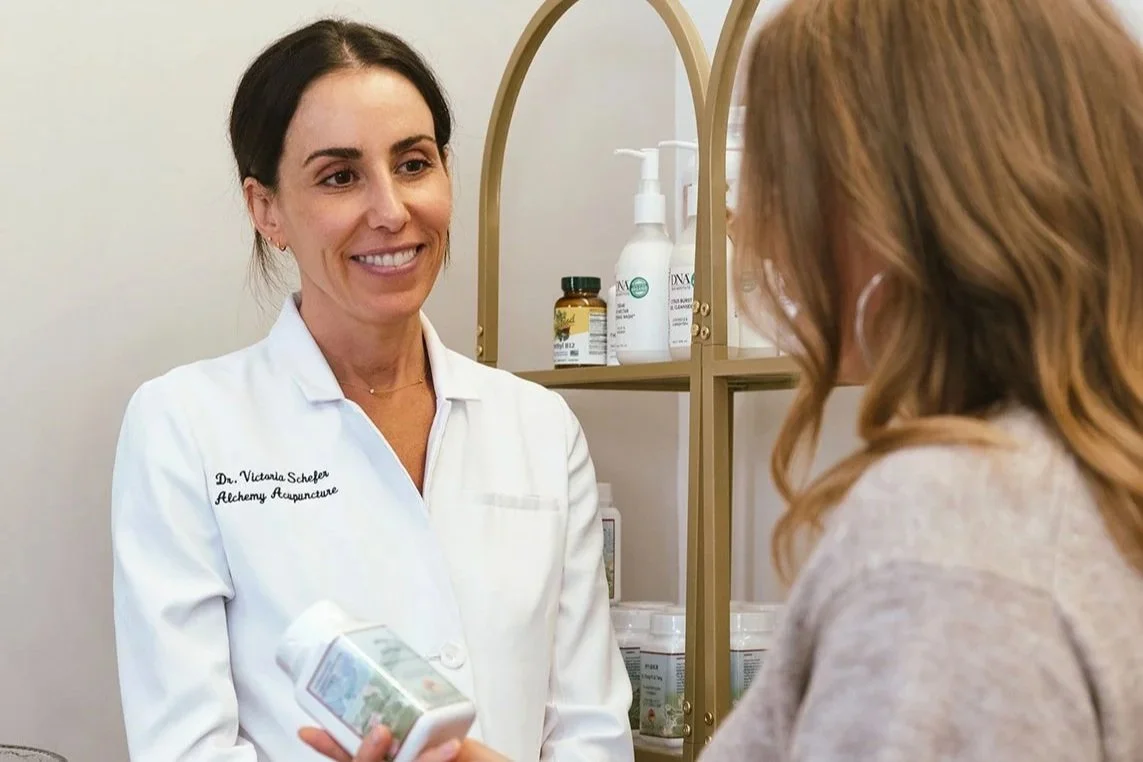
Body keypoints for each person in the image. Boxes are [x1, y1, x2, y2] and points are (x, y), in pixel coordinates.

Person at [110, 18, 633, 762]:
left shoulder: (539, 426)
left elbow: (591, 733)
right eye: (339, 176)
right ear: (266, 210)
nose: (391, 210)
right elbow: (181, 749)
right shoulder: (185, 425)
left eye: (414, 163)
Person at [701, 0, 1143, 759]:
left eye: (777, 171)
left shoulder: (949, 528)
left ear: (887, 207)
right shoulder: (1086, 478)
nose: (752, 220)